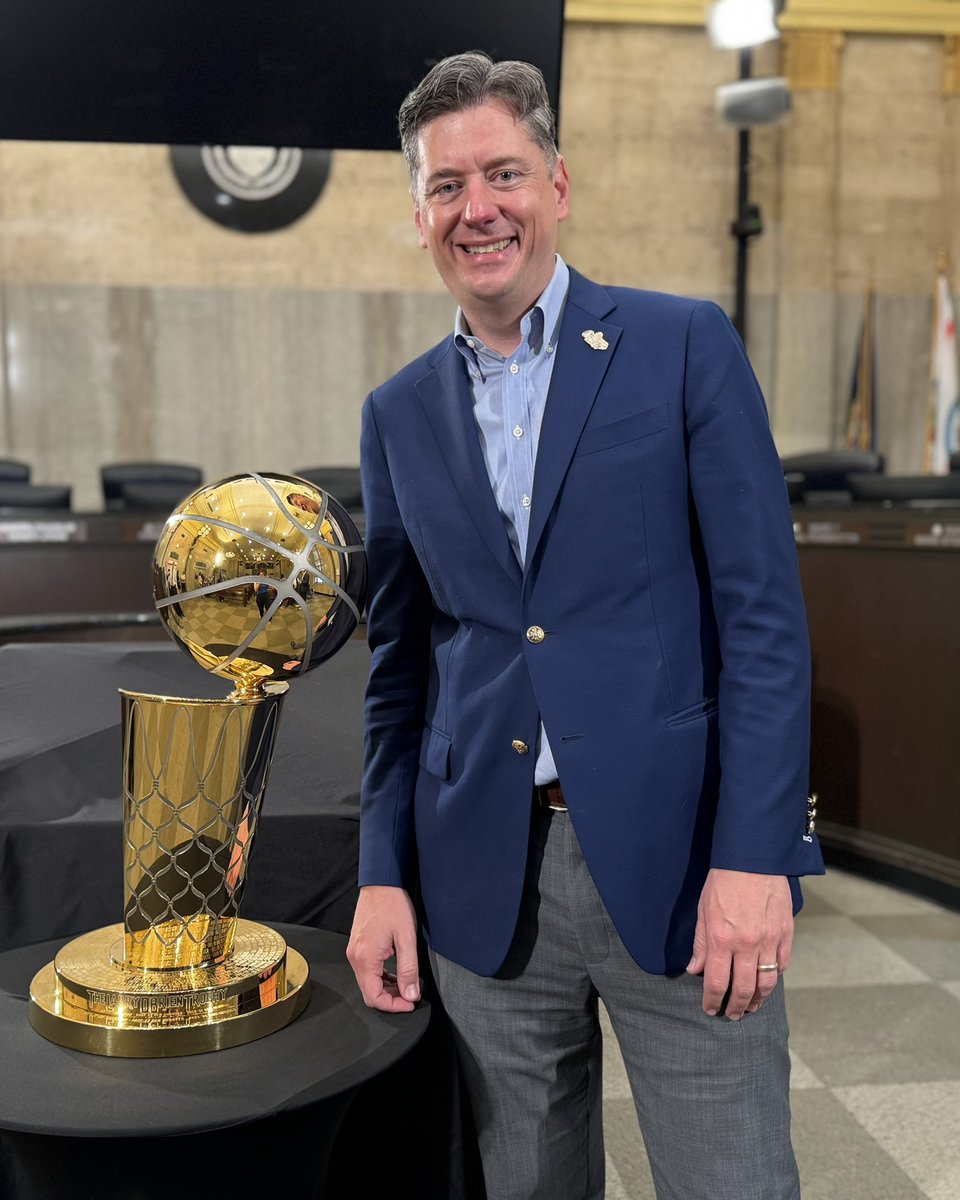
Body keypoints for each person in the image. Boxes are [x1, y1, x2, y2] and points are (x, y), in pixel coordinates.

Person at [345, 51, 824, 1200]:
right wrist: (380, 872)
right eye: (446, 187)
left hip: (680, 870)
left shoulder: (679, 345)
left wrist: (756, 854)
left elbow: (763, 622)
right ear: (418, 217)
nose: (478, 208)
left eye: (501, 173)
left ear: (556, 185)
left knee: (734, 1184)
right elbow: (400, 670)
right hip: (483, 890)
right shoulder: (396, 412)